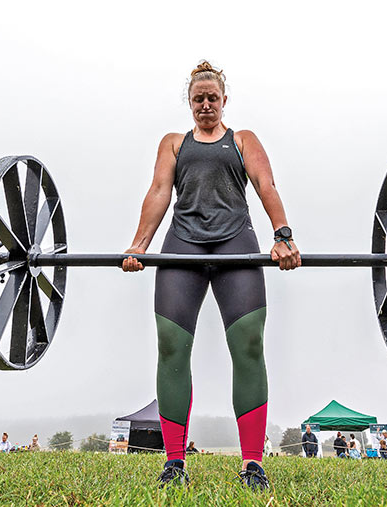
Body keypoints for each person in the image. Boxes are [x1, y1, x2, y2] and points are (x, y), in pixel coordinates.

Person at [122, 61, 300, 491]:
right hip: (182, 247)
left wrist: (283, 236)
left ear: (223, 100)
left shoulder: (242, 140)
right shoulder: (173, 144)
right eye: (198, 99)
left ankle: (253, 463)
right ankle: (174, 463)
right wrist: (139, 245)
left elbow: (265, 184)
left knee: (249, 346)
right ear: (190, 101)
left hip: (235, 245)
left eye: (212, 98)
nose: (205, 105)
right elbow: (160, 191)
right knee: (170, 347)